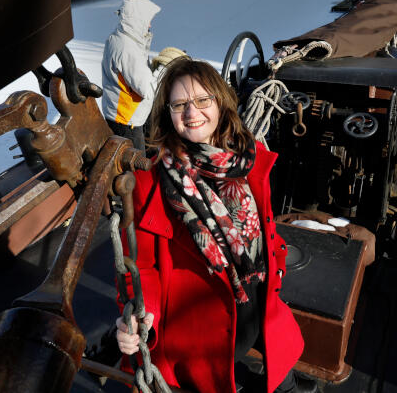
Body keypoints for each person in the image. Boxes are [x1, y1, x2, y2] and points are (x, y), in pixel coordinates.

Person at [115, 57, 318, 393]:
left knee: (283, 375)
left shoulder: (247, 158)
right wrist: (141, 314)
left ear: (221, 103)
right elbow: (141, 266)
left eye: (202, 100)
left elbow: (264, 229)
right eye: (179, 104)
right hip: (202, 334)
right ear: (167, 113)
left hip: (261, 303)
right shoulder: (151, 182)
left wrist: (275, 260)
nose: (192, 113)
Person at [100, 0, 161, 152]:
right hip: (127, 119)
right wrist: (164, 70)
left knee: (148, 151)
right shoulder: (127, 48)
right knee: (136, 166)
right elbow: (146, 89)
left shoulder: (120, 37)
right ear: (137, 19)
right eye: (147, 19)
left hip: (123, 114)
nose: (150, 24)